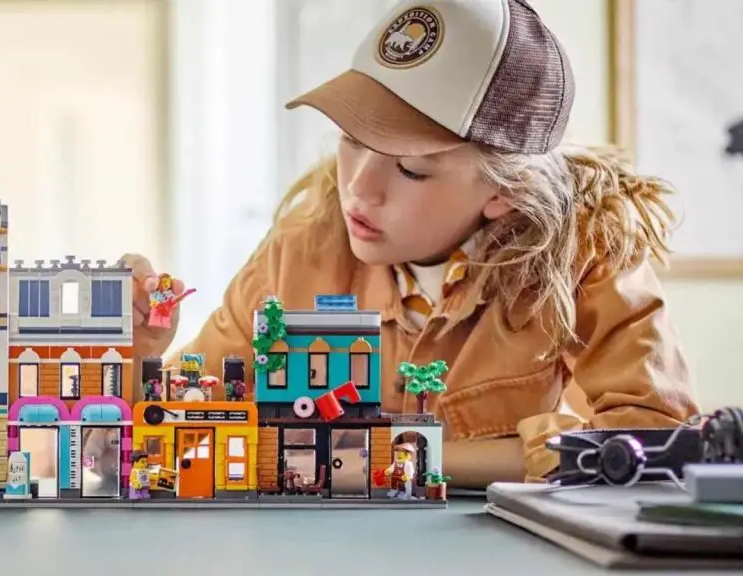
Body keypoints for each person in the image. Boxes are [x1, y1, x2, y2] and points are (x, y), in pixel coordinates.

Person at [122, 0, 699, 487]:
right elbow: (175, 430)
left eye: (411, 169)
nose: (357, 189)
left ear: (503, 190)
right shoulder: (298, 249)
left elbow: (656, 440)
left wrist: (401, 455)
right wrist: (142, 352)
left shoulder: (587, 251)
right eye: (351, 140)